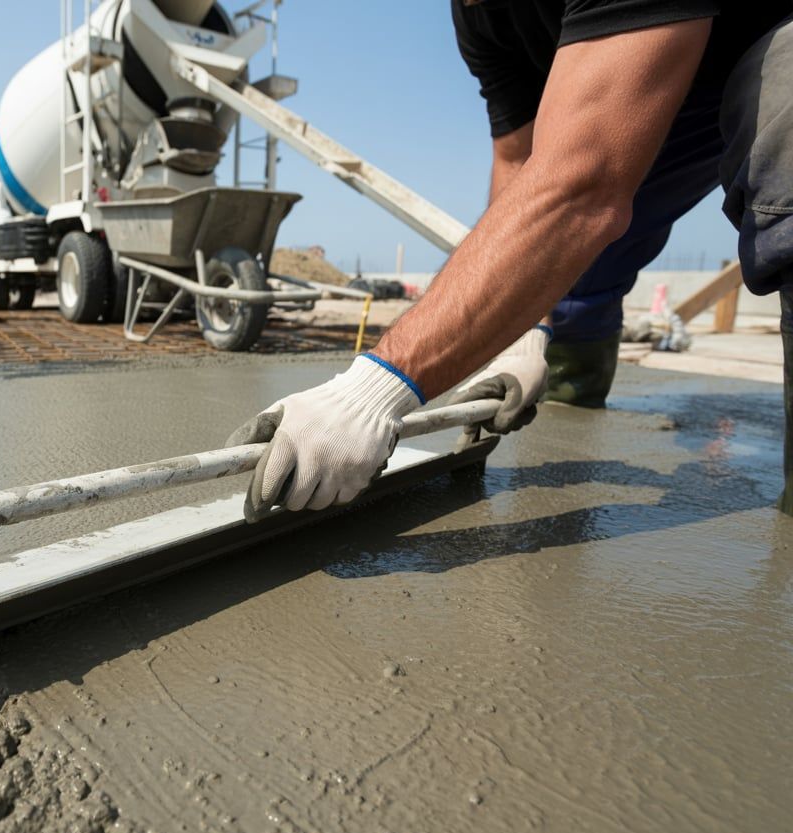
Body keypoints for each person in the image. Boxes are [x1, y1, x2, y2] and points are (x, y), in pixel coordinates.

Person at [229, 3, 793, 519]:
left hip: (756, 55)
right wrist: (525, 336)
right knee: (565, 271)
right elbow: (521, 162)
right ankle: (574, 403)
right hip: (649, 99)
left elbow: (584, 184)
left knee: (783, 136)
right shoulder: (480, 13)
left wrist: (371, 391)